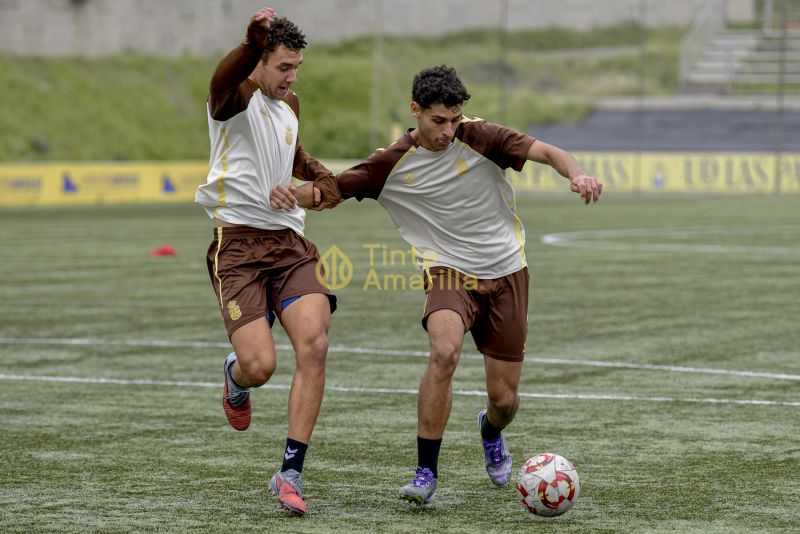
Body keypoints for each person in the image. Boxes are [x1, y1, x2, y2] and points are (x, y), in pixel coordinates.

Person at [270, 65, 602, 505]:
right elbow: (332, 191)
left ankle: (490, 429)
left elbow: (548, 152)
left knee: (505, 400)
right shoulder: (390, 162)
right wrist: (292, 194)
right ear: (416, 111)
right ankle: (426, 471)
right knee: (444, 351)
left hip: (507, 271)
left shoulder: (481, 136)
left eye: (454, 119)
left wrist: (575, 174)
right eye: (438, 121)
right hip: (447, 271)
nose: (448, 131)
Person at [194, 7, 339, 516]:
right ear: (259, 61)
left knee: (315, 343)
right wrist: (248, 40)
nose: (292, 77)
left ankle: (290, 472)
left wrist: (315, 191)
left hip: (290, 247)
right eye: (283, 67)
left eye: (297, 67)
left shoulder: (289, 103)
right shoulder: (233, 98)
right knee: (261, 367)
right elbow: (221, 78)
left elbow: (312, 171)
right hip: (237, 248)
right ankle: (236, 377)